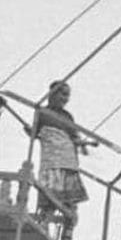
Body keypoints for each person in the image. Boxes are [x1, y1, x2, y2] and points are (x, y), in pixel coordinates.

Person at [29, 80, 93, 222]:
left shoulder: (67, 116)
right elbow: (35, 132)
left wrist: (83, 145)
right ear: (52, 94)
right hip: (52, 159)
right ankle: (45, 221)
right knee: (50, 195)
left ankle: (68, 222)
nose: (65, 98)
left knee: (69, 199)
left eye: (67, 95)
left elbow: (74, 136)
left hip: (67, 159)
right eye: (63, 94)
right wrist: (30, 131)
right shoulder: (42, 113)